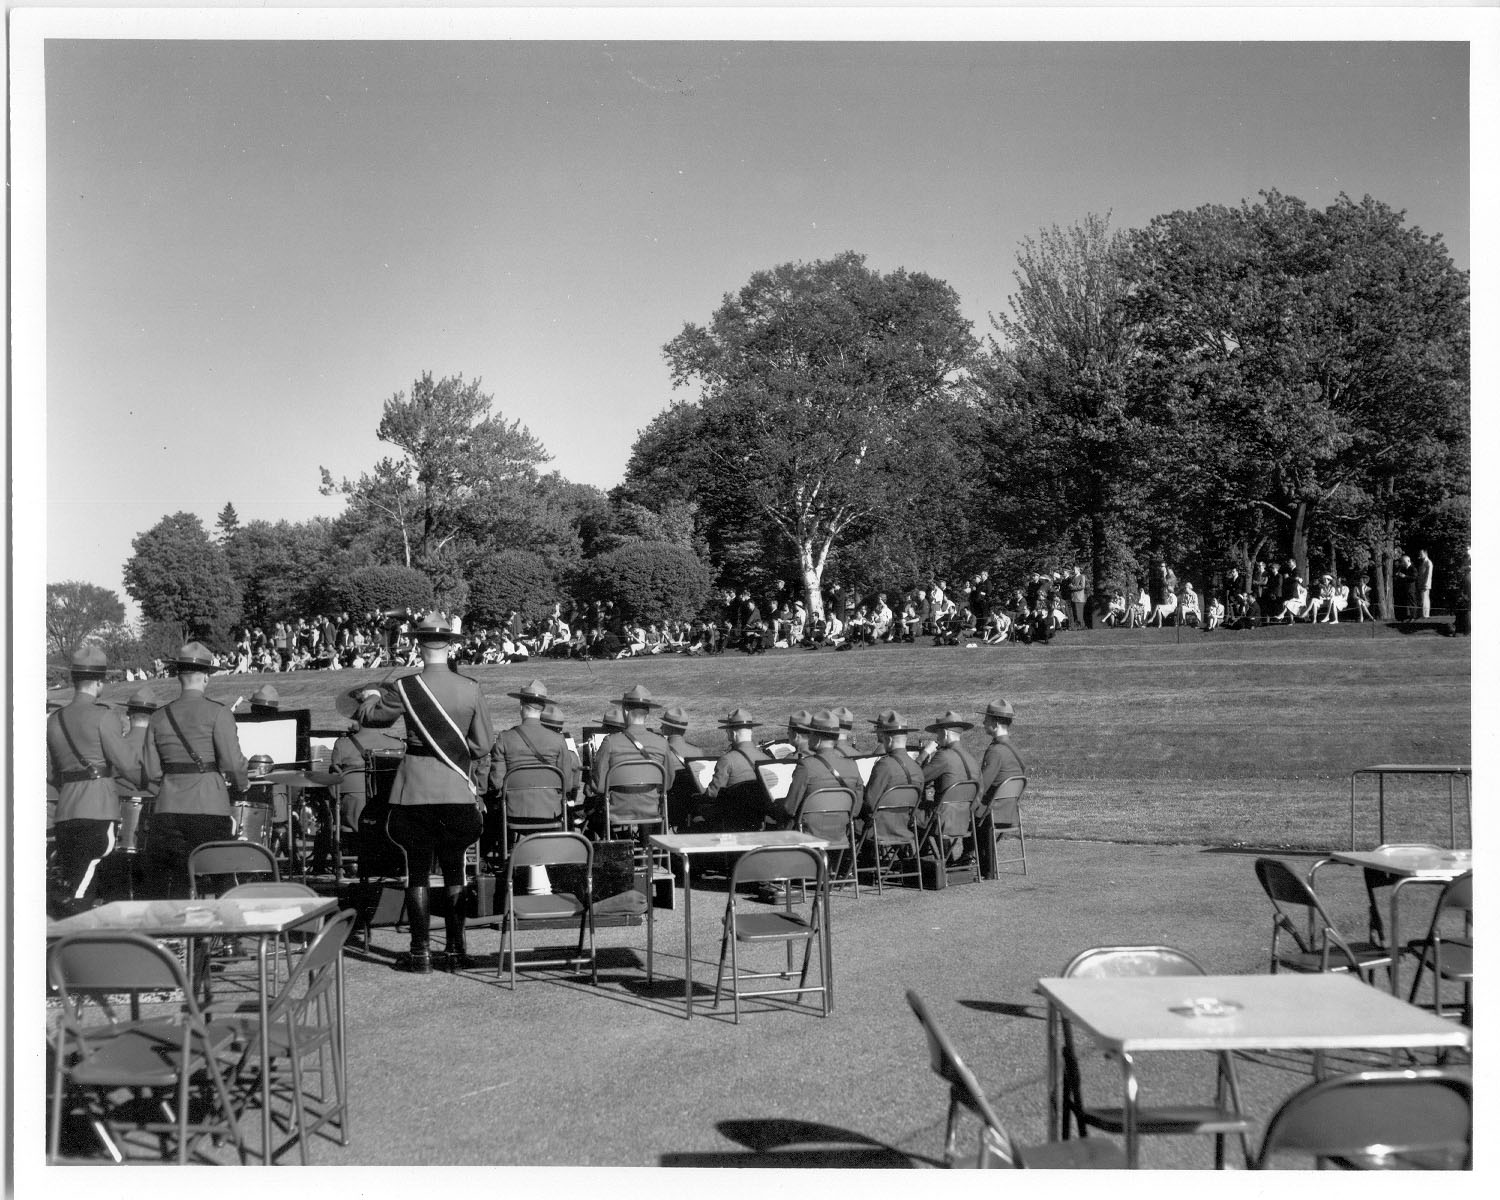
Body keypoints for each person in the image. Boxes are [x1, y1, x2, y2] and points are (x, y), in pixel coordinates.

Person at [354, 612, 494, 974]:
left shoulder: (405, 687)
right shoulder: (471, 688)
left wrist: (371, 695)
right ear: (450, 645)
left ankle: (420, 954)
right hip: (455, 790)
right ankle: (456, 951)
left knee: (416, 872)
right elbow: (482, 745)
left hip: (414, 791)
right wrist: (454, 751)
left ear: (418, 645)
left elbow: (371, 718)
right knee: (455, 870)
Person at [140, 642, 250, 900]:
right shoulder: (219, 713)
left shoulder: (158, 717)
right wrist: (242, 783)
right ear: (206, 677)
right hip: (208, 805)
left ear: (179, 676)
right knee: (222, 880)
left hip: (167, 807)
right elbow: (233, 764)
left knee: (174, 885)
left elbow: (150, 770)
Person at [47, 647, 141, 914]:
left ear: (74, 679)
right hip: (98, 809)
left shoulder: (54, 720)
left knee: (72, 879)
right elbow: (128, 766)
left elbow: (52, 774)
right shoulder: (104, 716)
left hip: (65, 812)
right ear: (100, 682)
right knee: (83, 891)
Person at [485, 678, 580, 861]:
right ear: (542, 708)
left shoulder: (505, 738)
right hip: (550, 812)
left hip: (514, 813)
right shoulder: (557, 740)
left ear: (521, 707)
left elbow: (497, 783)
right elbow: (567, 785)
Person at [588, 685, 679, 837]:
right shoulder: (661, 743)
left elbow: (599, 785)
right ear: (647, 713)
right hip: (651, 808)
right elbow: (668, 783)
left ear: (625, 711)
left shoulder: (610, 742)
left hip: (617, 809)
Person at [774, 710, 862, 833]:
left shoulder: (806, 766)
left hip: (808, 835)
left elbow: (790, 808)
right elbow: (856, 809)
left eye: (810, 733)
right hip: (841, 834)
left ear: (818, 738)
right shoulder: (852, 765)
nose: (808, 737)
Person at [857, 709, 925, 857]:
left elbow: (870, 802)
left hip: (879, 828)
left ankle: (860, 865)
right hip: (905, 826)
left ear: (889, 739)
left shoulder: (884, 765)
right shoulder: (916, 768)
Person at [918, 709, 981, 864]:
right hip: (965, 818)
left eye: (938, 734)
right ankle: (947, 861)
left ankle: (919, 865)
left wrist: (925, 753)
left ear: (945, 734)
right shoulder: (971, 758)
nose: (937, 739)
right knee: (938, 809)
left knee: (910, 815)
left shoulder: (943, 756)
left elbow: (916, 778)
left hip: (943, 820)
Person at [700, 709, 773, 833]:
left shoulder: (727, 760)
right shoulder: (766, 759)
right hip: (757, 819)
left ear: (732, 734)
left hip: (731, 821)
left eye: (727, 731)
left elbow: (713, 793)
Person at [657, 705, 706, 830]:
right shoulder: (697, 751)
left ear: (669, 728)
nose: (661, 727)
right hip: (692, 804)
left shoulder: (662, 751)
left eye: (663, 725)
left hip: (670, 805)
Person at [1417, 550, 1434, 619]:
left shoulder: (1428, 562)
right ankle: (1423, 614)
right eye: (1419, 554)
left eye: (1421, 554)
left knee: (1425, 599)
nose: (1420, 555)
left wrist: (1426, 584)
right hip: (1422, 583)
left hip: (1425, 584)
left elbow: (1429, 574)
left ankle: (1425, 615)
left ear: (1425, 554)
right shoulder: (1423, 562)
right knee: (1423, 599)